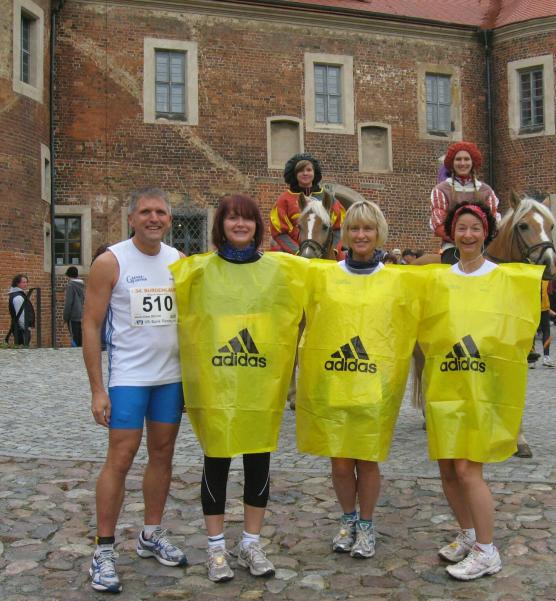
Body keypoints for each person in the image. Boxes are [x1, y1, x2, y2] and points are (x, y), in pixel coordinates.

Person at [172, 194, 304, 583]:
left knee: (258, 462)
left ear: (257, 226)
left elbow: (325, 278)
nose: (240, 224)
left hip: (259, 383)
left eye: (247, 218)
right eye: (233, 218)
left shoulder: (277, 270)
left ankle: (250, 543)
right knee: (217, 461)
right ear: (221, 225)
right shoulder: (199, 270)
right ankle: (216, 549)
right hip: (217, 382)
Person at [420, 201, 540, 581]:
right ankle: (469, 534)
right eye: (462, 228)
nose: (468, 234)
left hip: (481, 388)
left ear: (485, 233)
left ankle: (488, 551)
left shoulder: (503, 279)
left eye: (475, 228)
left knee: (468, 469)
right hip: (445, 385)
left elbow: (517, 330)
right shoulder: (439, 279)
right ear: (452, 233)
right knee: (447, 468)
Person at [295, 200, 418, 561]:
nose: (361, 235)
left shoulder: (396, 279)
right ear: (344, 234)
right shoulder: (324, 275)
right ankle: (347, 518)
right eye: (354, 228)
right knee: (340, 462)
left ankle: (366, 523)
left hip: (373, 384)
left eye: (368, 228)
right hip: (335, 381)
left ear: (379, 233)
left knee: (367, 459)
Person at [83, 187, 186, 594]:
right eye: (145, 212)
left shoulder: (179, 261)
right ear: (131, 219)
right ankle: (104, 548)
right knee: (121, 458)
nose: (153, 218)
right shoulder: (111, 261)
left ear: (169, 220)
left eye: (160, 212)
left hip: (170, 378)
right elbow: (91, 325)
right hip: (128, 378)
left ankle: (151, 533)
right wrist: (97, 389)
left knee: (162, 454)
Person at [429, 142, 500, 264]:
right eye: (458, 159)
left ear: (473, 162)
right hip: (453, 246)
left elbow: (492, 223)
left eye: (466, 159)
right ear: (452, 163)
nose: (462, 163)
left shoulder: (486, 190)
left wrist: (477, 240)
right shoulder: (441, 189)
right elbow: (439, 225)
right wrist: (464, 240)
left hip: (482, 246)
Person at [269, 153, 346, 253]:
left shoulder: (328, 198)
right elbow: (279, 232)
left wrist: (333, 249)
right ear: (294, 174)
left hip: (325, 252)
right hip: (292, 253)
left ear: (314, 172)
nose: (305, 173)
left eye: (309, 170)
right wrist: (298, 252)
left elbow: (339, 228)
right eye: (300, 171)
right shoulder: (284, 200)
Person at [7, 274, 34, 346]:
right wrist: (26, 328)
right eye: (23, 282)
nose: (26, 284)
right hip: (21, 329)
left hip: (19, 328)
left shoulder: (18, 294)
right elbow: (20, 315)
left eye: (26, 282)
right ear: (17, 283)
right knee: (22, 348)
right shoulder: (18, 297)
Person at [63, 266, 85, 347]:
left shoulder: (71, 286)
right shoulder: (81, 285)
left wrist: (65, 317)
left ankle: (75, 350)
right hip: (80, 314)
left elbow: (69, 303)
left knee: (74, 337)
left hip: (73, 315)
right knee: (79, 336)